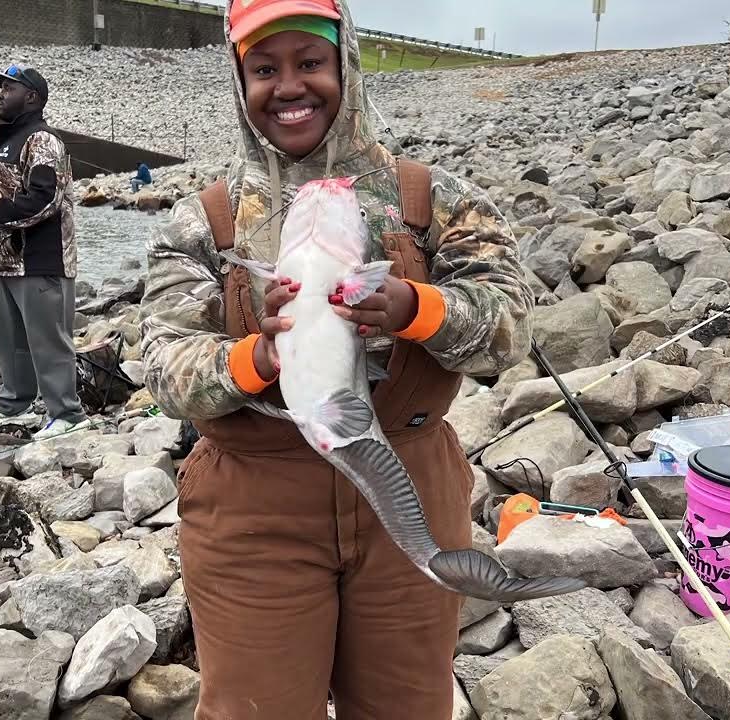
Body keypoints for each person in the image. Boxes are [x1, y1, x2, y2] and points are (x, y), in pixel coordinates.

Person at [138, 1, 533, 717]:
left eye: (311, 62)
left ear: (345, 62)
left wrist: (416, 309)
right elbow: (165, 368)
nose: (289, 85)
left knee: (406, 707)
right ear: (239, 80)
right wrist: (261, 355)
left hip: (407, 483)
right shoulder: (203, 220)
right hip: (255, 510)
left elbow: (510, 329)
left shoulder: (434, 199)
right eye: (265, 68)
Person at [0, 63, 90, 441]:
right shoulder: (5, 144)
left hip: (40, 261)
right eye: (1, 88)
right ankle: (16, 404)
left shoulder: (43, 141)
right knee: (11, 342)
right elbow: (5, 196)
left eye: (9, 88)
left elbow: (43, 200)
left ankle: (68, 414)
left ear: (31, 97)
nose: (0, 94)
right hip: (5, 263)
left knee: (48, 341)